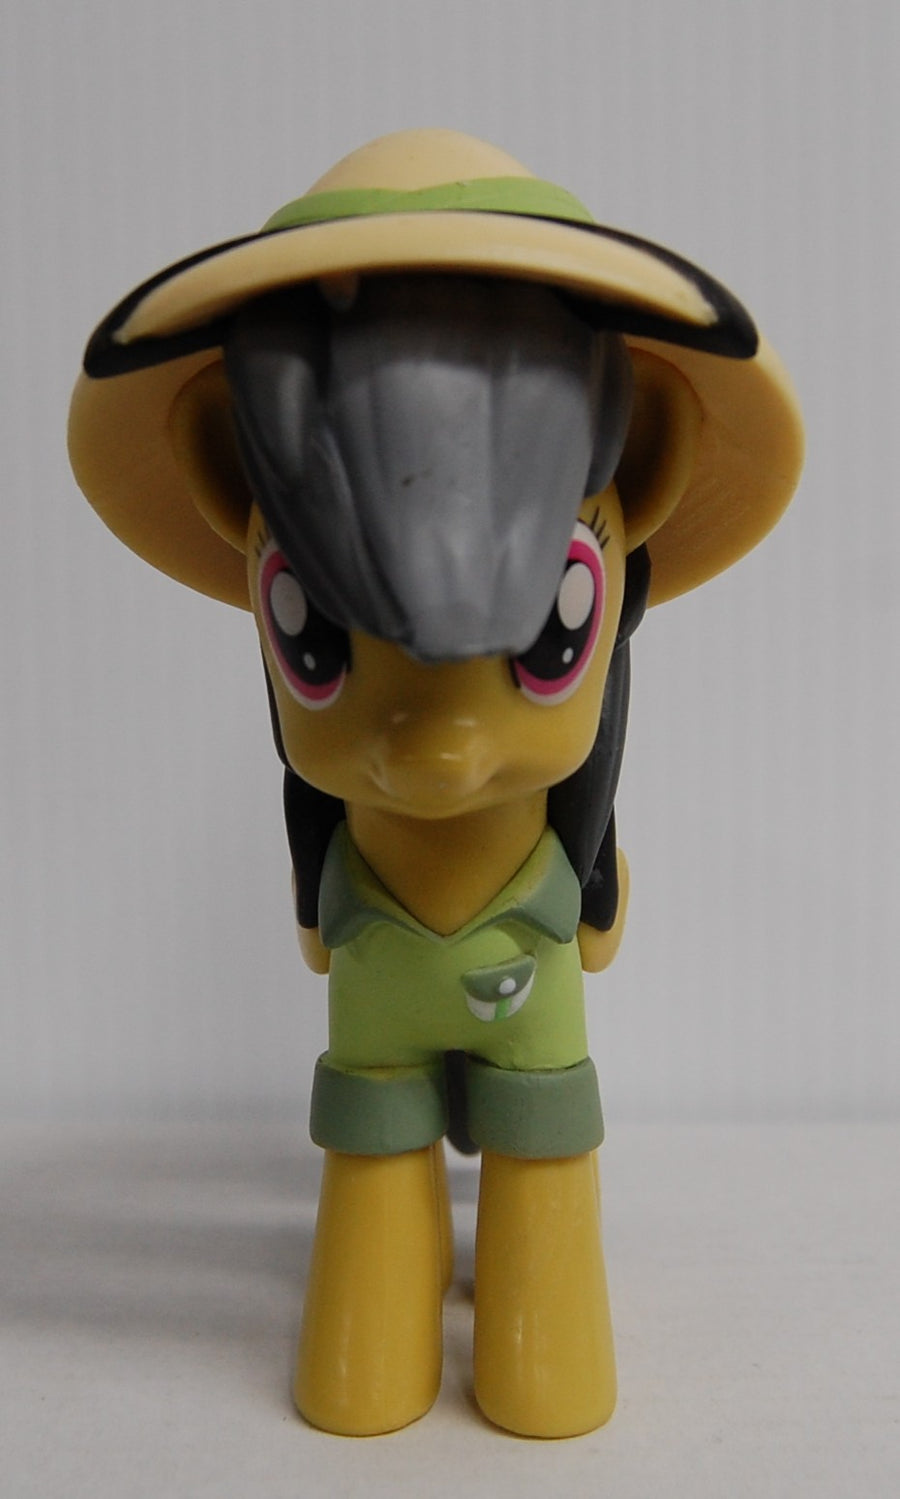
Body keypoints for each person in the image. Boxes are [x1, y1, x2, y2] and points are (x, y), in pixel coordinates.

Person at [69, 128, 803, 1437]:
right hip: (381, 951)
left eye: (548, 634)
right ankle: (378, 1323)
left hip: (518, 934)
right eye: (313, 633)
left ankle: (537, 1327)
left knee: (545, 1172)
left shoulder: (553, 843)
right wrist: (319, 886)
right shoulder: (342, 839)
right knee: (370, 1167)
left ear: (640, 485)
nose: (438, 749)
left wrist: (589, 870)